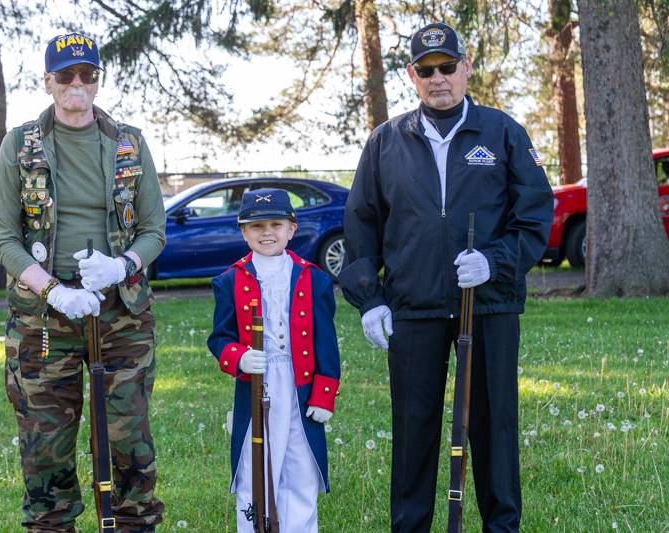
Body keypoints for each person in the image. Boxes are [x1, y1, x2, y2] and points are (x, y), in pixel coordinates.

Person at [339, 22, 553, 533]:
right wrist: (369, 298)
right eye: (426, 70)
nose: (438, 78)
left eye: (447, 67)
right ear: (412, 76)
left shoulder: (503, 133)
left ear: (466, 68)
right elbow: (361, 227)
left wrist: (495, 262)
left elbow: (535, 218)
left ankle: (501, 526)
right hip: (412, 307)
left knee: (493, 427)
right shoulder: (385, 142)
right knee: (413, 431)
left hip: (489, 306)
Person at [0, 32, 166, 532]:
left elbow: (155, 230)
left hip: (121, 312)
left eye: (87, 75)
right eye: (65, 75)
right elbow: (4, 237)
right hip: (44, 317)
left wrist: (122, 265)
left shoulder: (129, 141)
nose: (77, 84)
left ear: (97, 81)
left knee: (129, 441)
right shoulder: (19, 144)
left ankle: (134, 525)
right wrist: (53, 290)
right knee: (45, 448)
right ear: (48, 82)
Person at [207, 189, 341, 532]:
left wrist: (324, 394)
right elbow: (219, 338)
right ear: (242, 231)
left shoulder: (314, 279)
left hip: (300, 384)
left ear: (291, 229)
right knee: (256, 467)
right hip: (256, 382)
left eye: (275, 224)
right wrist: (238, 357)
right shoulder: (229, 280)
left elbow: (326, 342)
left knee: (301, 466)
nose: (267, 232)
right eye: (256, 226)